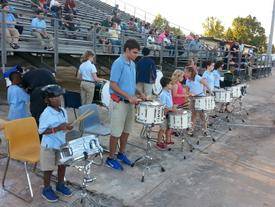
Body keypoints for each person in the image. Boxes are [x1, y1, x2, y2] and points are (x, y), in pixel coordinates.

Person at [106, 39, 145, 171]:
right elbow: (113, 84)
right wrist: (128, 96)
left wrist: (139, 92)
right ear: (127, 50)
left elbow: (131, 84)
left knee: (126, 131)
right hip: (119, 102)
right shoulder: (118, 63)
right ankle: (110, 158)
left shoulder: (132, 64)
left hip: (129, 103)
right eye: (134, 52)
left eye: (137, 53)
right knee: (116, 132)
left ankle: (121, 153)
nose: (136, 55)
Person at [39, 84, 73, 202]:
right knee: (48, 169)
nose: (58, 99)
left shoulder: (63, 110)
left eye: (59, 96)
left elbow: (64, 125)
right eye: (54, 97)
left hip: (61, 143)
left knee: (62, 165)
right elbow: (42, 131)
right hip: (49, 146)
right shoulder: (46, 113)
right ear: (47, 100)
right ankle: (46, 189)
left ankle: (60, 184)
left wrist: (67, 127)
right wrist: (57, 128)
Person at [185, 66, 212, 136]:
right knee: (193, 115)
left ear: (190, 72)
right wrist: (189, 94)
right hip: (192, 98)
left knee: (202, 115)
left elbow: (205, 83)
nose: (185, 74)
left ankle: (205, 129)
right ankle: (191, 129)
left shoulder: (197, 77)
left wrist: (210, 91)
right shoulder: (187, 80)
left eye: (186, 72)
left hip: (200, 97)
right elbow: (187, 91)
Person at [156, 76, 176, 150]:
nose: (172, 85)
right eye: (170, 84)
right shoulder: (163, 94)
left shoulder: (169, 92)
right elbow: (164, 107)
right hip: (163, 114)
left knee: (169, 127)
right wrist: (171, 109)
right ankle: (158, 143)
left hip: (169, 113)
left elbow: (170, 103)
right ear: (166, 85)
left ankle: (167, 141)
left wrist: (173, 106)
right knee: (162, 129)